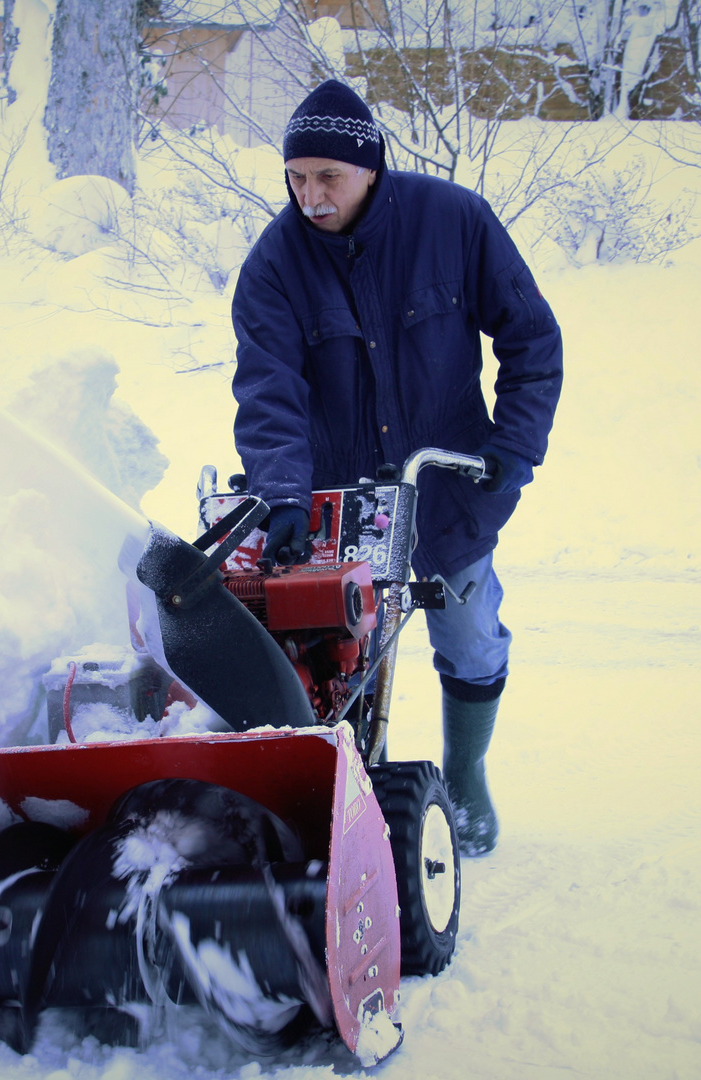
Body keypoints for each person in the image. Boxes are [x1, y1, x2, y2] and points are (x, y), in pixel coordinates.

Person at [230, 80, 563, 856]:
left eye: (328, 178)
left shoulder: (453, 222)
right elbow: (268, 390)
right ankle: (342, 815)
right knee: (334, 670)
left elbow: (532, 339)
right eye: (296, 177)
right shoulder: (273, 268)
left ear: (370, 167)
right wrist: (281, 494)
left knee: (473, 639)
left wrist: (514, 444)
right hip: (334, 503)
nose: (309, 197)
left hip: (447, 490)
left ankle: (466, 771)